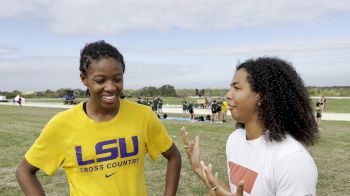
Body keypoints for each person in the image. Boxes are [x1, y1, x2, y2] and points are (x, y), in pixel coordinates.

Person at [16, 40, 181, 196]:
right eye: (100, 80)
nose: (110, 87)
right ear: (84, 79)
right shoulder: (62, 125)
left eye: (117, 79)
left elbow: (173, 156)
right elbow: (24, 171)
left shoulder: (143, 116)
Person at [181, 57, 318, 196]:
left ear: (262, 96)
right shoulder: (235, 140)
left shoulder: (292, 161)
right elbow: (235, 192)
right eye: (230, 87)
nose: (228, 94)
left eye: (237, 88)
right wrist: (198, 167)